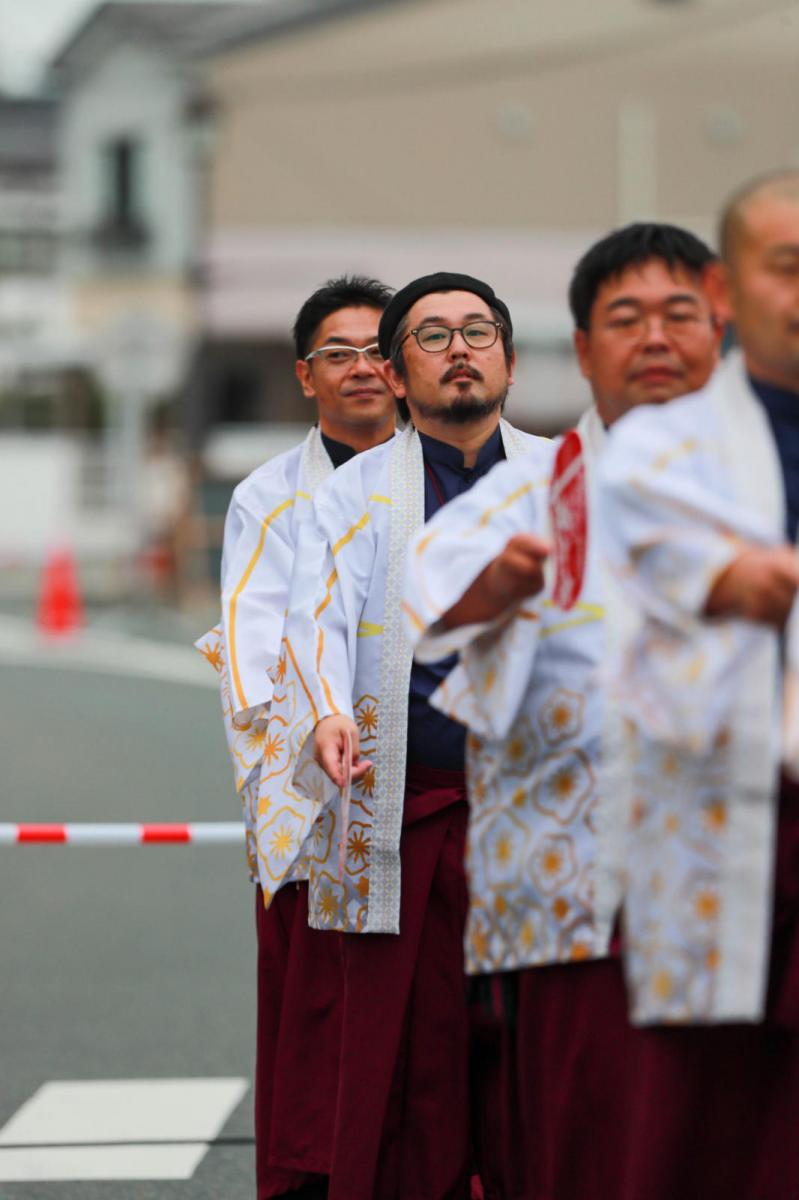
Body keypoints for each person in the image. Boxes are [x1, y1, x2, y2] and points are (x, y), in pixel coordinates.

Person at [401, 224, 722, 1199]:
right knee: (591, 1159)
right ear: (585, 349)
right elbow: (421, 604)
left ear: (722, 330)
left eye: (680, 314)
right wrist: (493, 593)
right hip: (579, 905)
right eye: (626, 317)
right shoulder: (526, 495)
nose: (656, 337)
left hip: (747, 893)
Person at [255, 273, 546, 1200]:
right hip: (402, 817)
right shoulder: (353, 493)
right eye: (432, 336)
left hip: (543, 822)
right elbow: (313, 621)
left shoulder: (567, 477)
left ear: (509, 355)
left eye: (477, 331)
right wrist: (329, 712)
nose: (459, 349)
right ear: (395, 366)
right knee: (409, 1071)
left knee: (545, 1060)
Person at [597, 171, 799, 1199]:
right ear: (732, 288)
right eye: (788, 267)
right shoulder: (653, 447)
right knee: (706, 1128)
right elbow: (732, 578)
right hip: (728, 810)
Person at [196, 274, 395, 1200]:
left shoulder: (448, 478)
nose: (360, 368)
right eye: (336, 354)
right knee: (319, 1007)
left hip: (434, 783)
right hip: (322, 794)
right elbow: (250, 661)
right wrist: (326, 734)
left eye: (376, 351)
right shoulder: (268, 496)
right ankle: (311, 1175)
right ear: (305, 376)